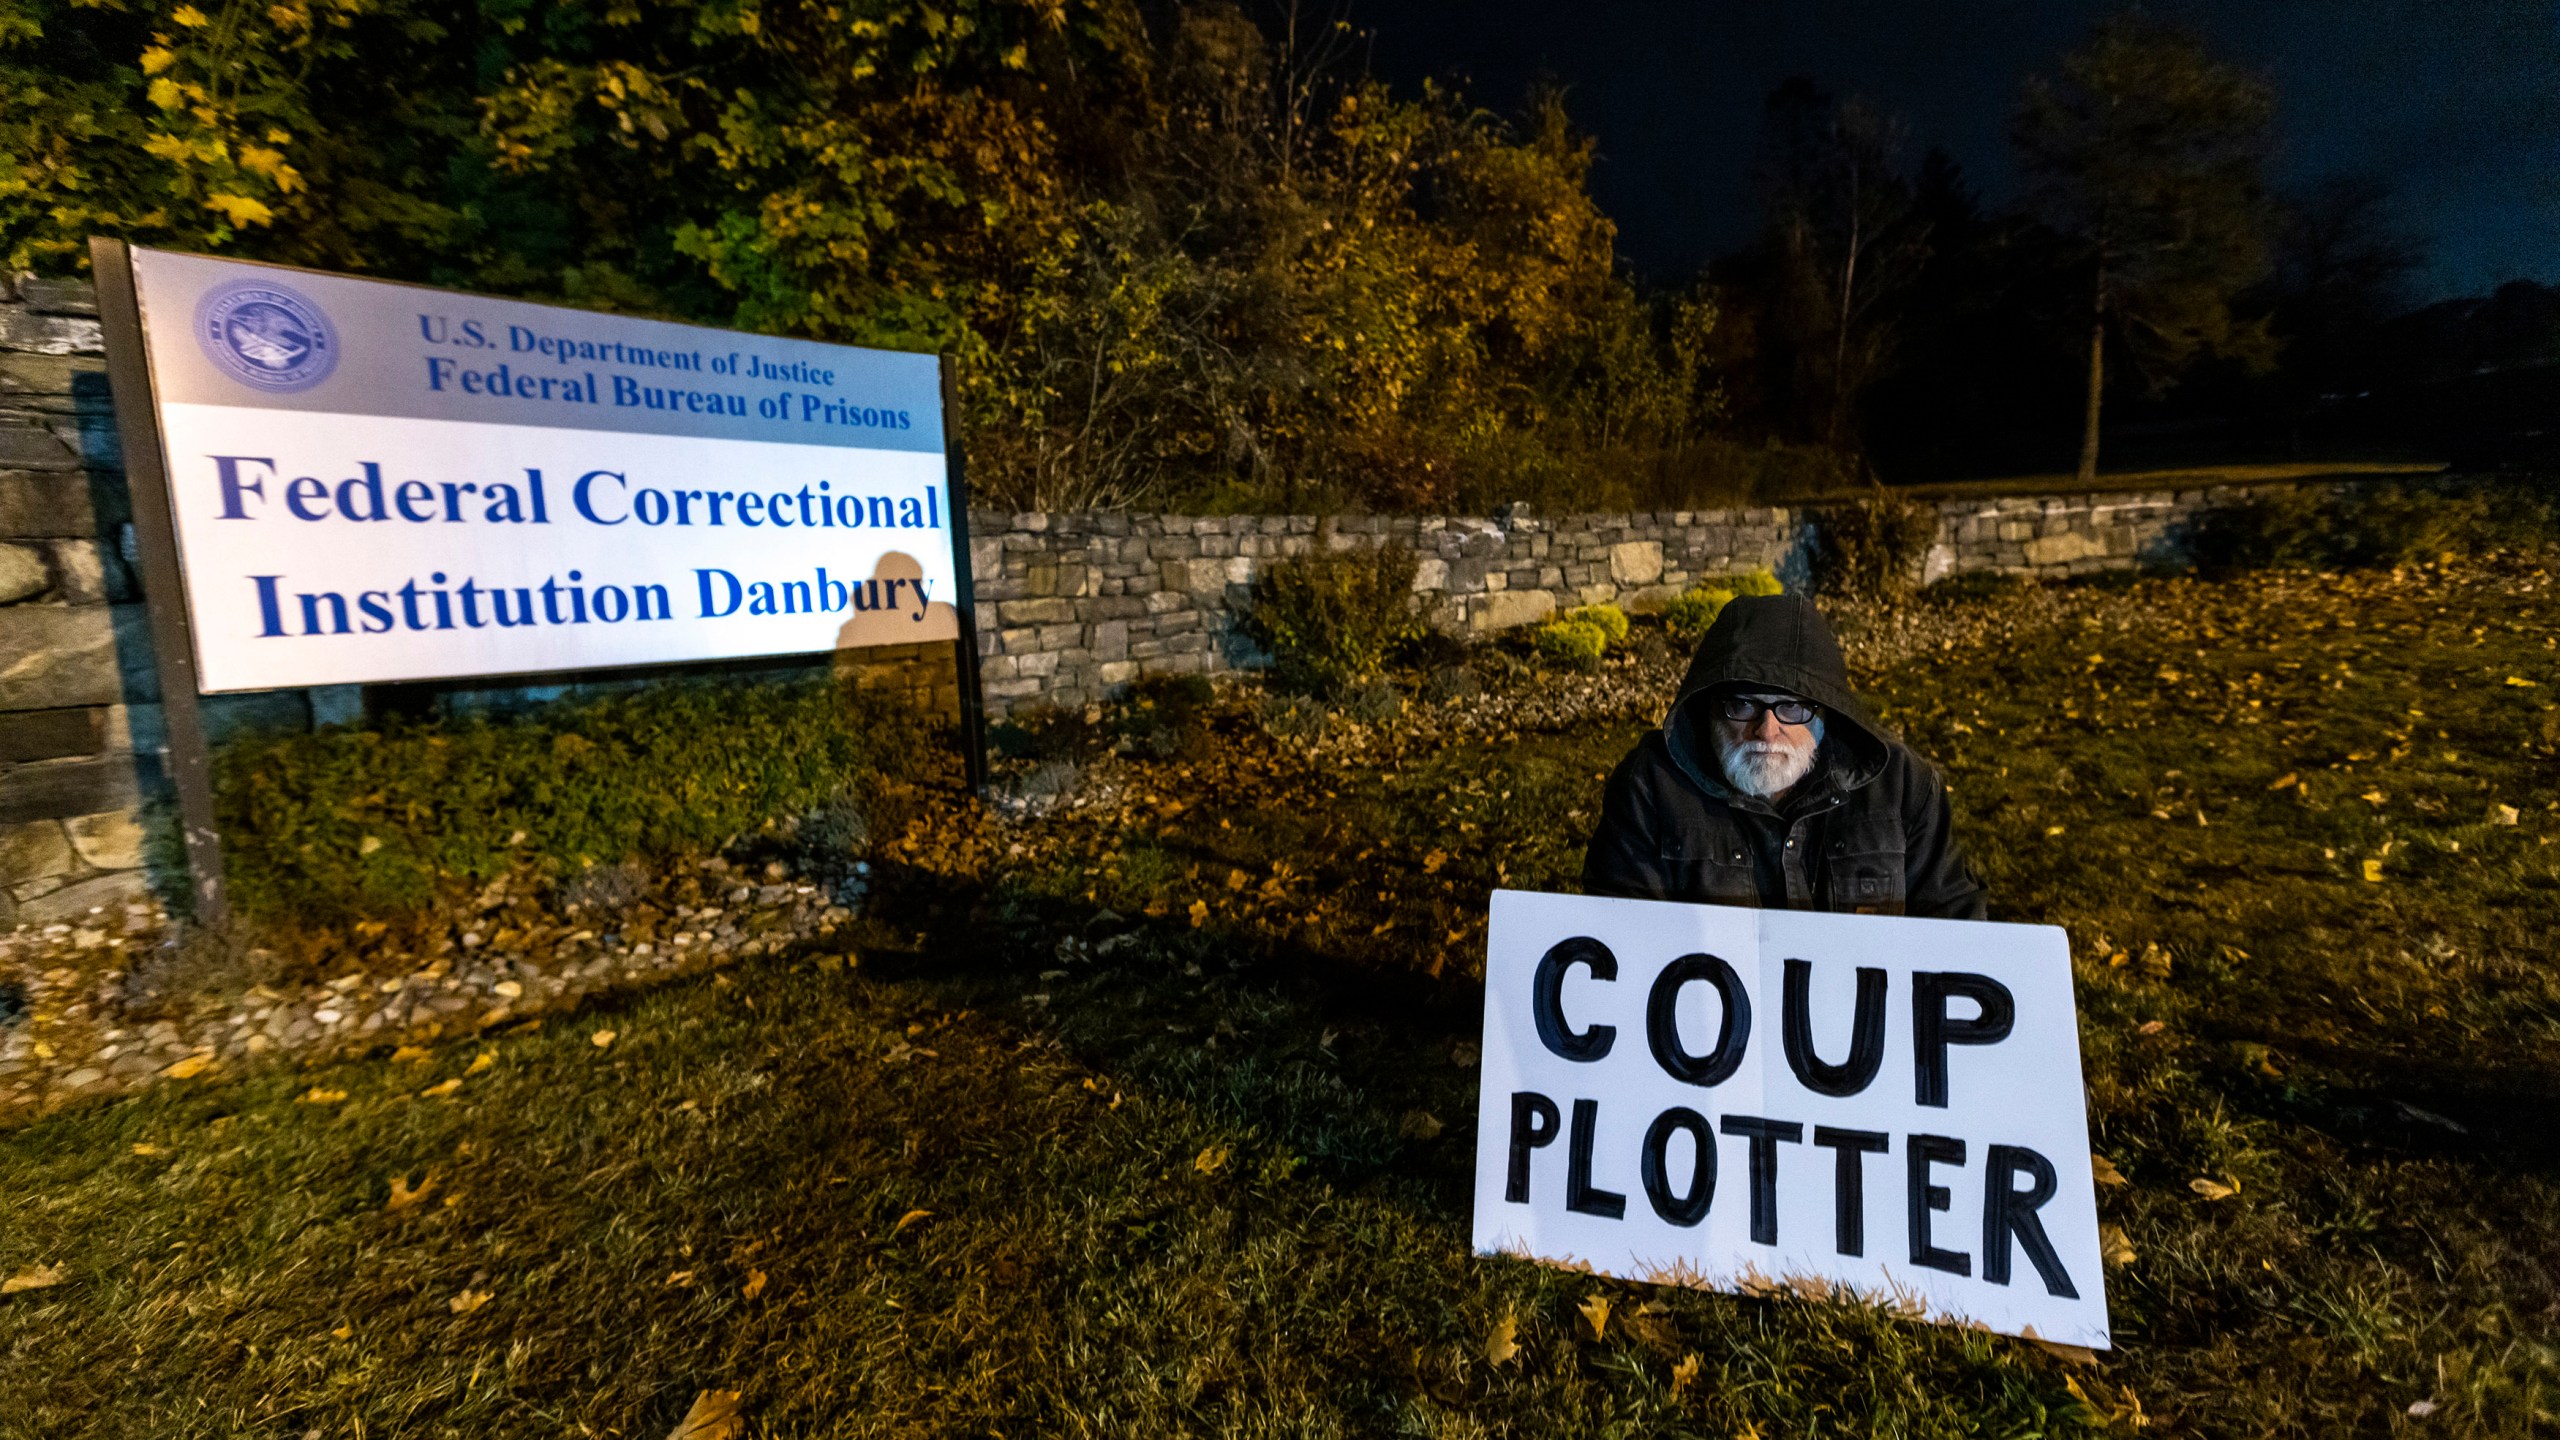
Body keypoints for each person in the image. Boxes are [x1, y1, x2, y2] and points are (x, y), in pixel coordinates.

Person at [1581, 591, 1985, 919]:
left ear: (1827, 712)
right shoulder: (1651, 788)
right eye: (1742, 705)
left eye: (1792, 707)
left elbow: (1955, 929)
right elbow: (1619, 936)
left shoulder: (1902, 787)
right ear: (1706, 707)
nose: (1767, 730)